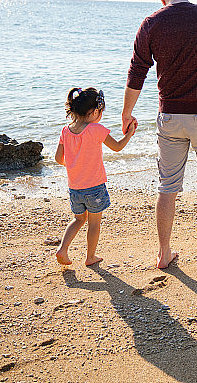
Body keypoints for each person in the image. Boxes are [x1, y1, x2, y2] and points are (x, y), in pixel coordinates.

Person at [121, 0, 197, 269]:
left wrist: (126, 113)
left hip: (170, 116)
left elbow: (137, 71)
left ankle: (163, 252)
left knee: (168, 185)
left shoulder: (152, 23)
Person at [54, 87, 136, 266]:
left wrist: (74, 165)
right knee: (94, 223)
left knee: (78, 219)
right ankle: (90, 257)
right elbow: (117, 147)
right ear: (94, 111)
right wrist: (129, 133)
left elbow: (58, 158)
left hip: (74, 187)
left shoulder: (65, 131)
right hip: (94, 187)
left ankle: (63, 248)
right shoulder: (96, 129)